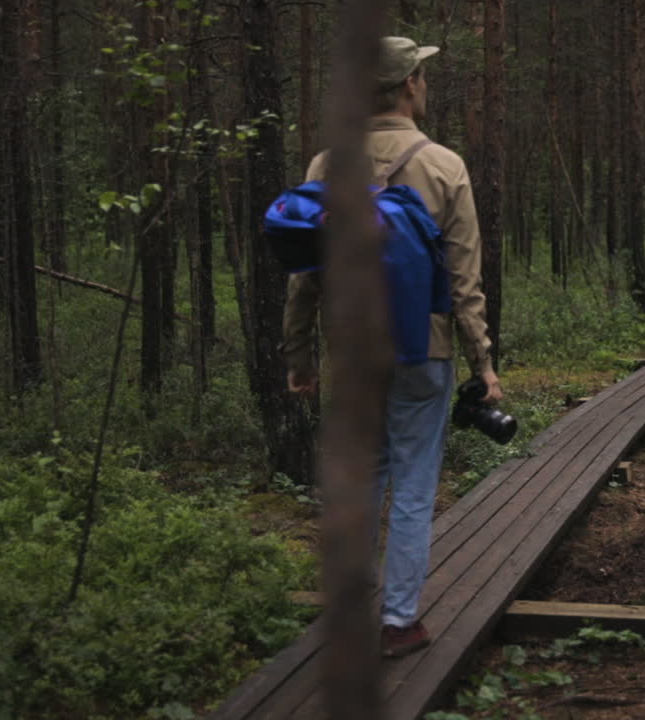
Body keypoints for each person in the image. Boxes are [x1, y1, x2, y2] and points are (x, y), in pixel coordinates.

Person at [282, 36, 502, 659]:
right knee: (412, 486)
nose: (425, 86)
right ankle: (399, 621)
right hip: (421, 351)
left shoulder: (327, 165)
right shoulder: (443, 166)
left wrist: (300, 357)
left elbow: (306, 274)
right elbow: (465, 283)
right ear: (408, 85)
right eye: (422, 77)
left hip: (350, 354)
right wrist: (483, 363)